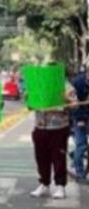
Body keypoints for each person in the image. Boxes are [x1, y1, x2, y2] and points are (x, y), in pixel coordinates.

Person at [30, 71, 76, 200]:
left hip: (58, 128)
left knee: (58, 157)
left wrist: (66, 98)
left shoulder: (67, 87)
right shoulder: (38, 86)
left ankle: (60, 186)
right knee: (41, 157)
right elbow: (29, 106)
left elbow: (75, 105)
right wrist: (30, 98)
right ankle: (44, 183)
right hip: (40, 127)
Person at [69, 67, 89, 183]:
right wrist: (80, 119)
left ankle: (74, 155)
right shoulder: (77, 83)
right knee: (81, 145)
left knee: (81, 147)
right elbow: (74, 103)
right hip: (80, 116)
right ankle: (80, 173)